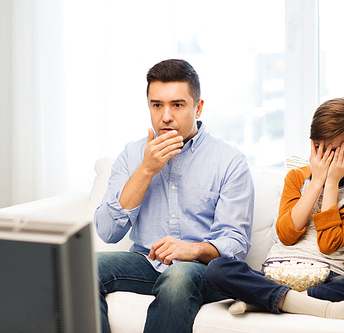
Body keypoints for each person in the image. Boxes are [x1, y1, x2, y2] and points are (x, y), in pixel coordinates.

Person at [94, 59, 255, 333]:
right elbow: (107, 231)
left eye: (177, 105)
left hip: (202, 271)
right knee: (83, 269)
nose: (165, 116)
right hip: (145, 263)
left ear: (198, 107)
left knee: (179, 274)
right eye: (157, 105)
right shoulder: (133, 156)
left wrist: (193, 249)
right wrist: (145, 171)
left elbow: (235, 244)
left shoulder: (229, 161)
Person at [205, 95, 344, 320]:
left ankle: (267, 299)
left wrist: (333, 183)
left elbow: (328, 244)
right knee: (217, 269)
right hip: (275, 272)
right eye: (319, 148)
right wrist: (316, 182)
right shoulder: (297, 177)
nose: (326, 158)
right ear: (311, 143)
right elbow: (286, 236)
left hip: (326, 275)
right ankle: (313, 305)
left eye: (335, 151)